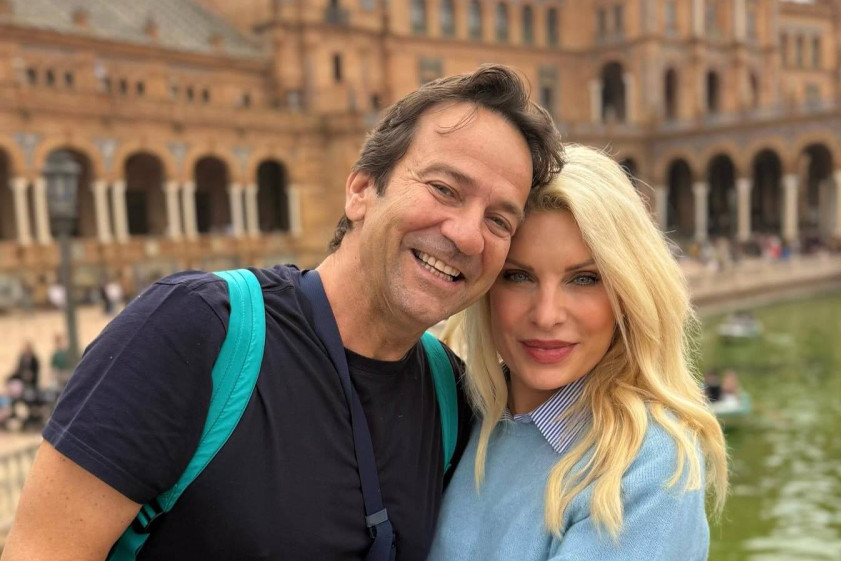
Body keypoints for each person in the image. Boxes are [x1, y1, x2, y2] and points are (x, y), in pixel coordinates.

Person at [2, 65, 563, 561]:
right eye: (444, 189)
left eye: (499, 220)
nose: (467, 235)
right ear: (361, 189)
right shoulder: (194, 331)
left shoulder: (452, 397)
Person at [428, 144, 728, 560]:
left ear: (627, 293)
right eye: (518, 276)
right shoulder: (461, 414)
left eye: (584, 279)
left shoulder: (647, 466)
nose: (547, 315)